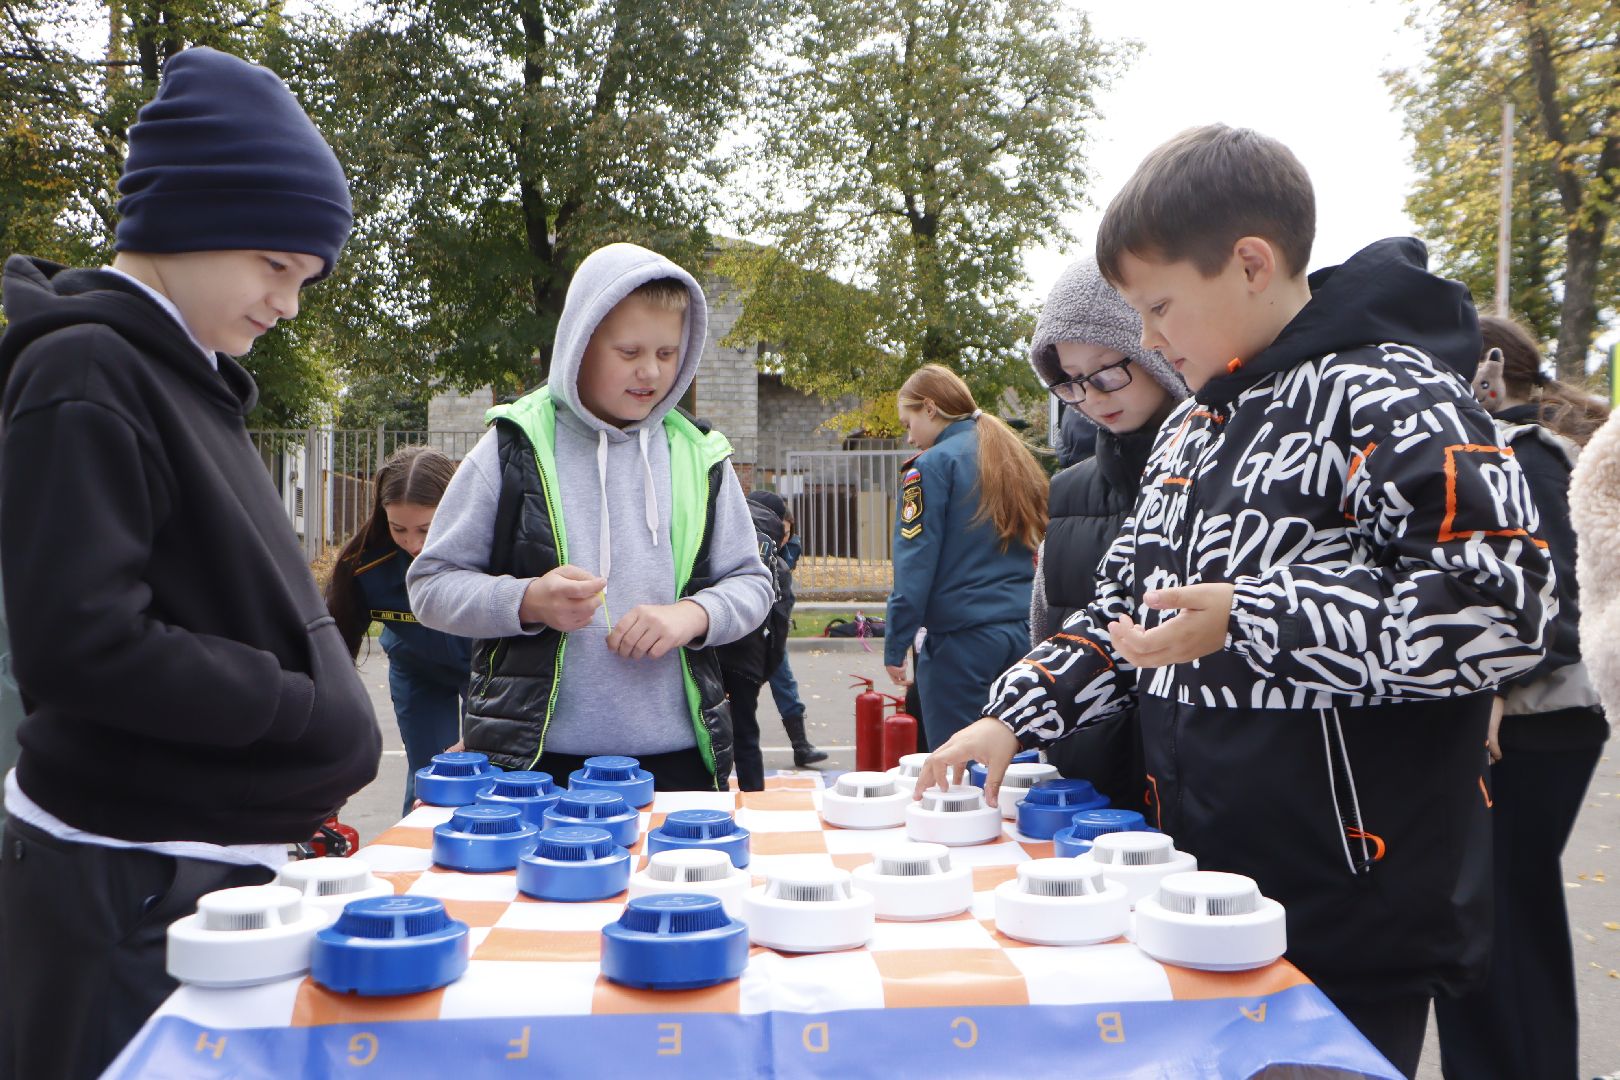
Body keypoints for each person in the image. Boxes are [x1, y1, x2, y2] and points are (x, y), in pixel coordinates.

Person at [917, 124, 1555, 1078]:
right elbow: (1126, 614)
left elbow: (1505, 606)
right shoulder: (1193, 430)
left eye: (1160, 304)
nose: (1149, 338)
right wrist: (1012, 719)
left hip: (1350, 903)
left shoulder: (1393, 394)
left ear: (1252, 263)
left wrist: (1253, 619)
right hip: (1193, 884)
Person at [0, 47, 380, 1080]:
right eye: (276, 267)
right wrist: (296, 708)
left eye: (304, 280)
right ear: (193, 220)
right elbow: (82, 644)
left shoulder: (186, 379)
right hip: (126, 885)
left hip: (190, 873)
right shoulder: (85, 372)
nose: (288, 305)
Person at [408, 243, 772, 792]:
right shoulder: (511, 448)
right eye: (629, 351)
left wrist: (693, 616)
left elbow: (752, 584)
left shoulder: (701, 455)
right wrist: (528, 600)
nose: (651, 371)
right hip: (532, 765)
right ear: (580, 344)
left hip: (680, 761)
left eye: (669, 353)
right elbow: (430, 587)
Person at [1434, 316, 1609, 1079]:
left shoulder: (1529, 456)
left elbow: (1563, 603)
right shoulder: (1526, 450)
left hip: (1535, 722)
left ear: (1488, 375)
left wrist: (1499, 685)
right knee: (1502, 922)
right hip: (1540, 718)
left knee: (1499, 927)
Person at [1027, 256, 1188, 811]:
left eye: (1105, 372)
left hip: (1200, 791)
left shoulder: (1225, 473)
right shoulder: (1068, 491)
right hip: (1087, 784)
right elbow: (1046, 631)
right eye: (1069, 384)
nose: (1091, 398)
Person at [883, 364, 1048, 750]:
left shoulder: (928, 468)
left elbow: (914, 567)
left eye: (909, 423)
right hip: (1022, 632)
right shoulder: (1007, 456)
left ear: (929, 408)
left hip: (961, 644)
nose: (909, 438)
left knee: (955, 774)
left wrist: (895, 645)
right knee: (1016, 767)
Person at [326, 445, 471, 814]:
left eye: (427, 527)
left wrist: (490, 728)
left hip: (486, 673)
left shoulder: (488, 552)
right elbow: (333, 656)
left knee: (486, 770)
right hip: (418, 669)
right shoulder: (362, 566)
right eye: (399, 529)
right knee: (429, 776)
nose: (414, 543)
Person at [715, 491, 795, 790]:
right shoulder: (776, 565)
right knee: (745, 734)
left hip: (705, 647)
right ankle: (753, 798)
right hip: (747, 658)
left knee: (704, 730)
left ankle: (708, 794)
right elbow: (779, 628)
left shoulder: (719, 533)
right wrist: (761, 672)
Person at [763, 500, 827, 767]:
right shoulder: (753, 545)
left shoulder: (791, 547)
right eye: (779, 532)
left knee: (785, 684)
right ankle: (725, 748)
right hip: (748, 630)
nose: (783, 539)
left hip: (774, 630)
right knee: (734, 691)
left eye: (787, 533)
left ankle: (800, 746)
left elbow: (784, 590)